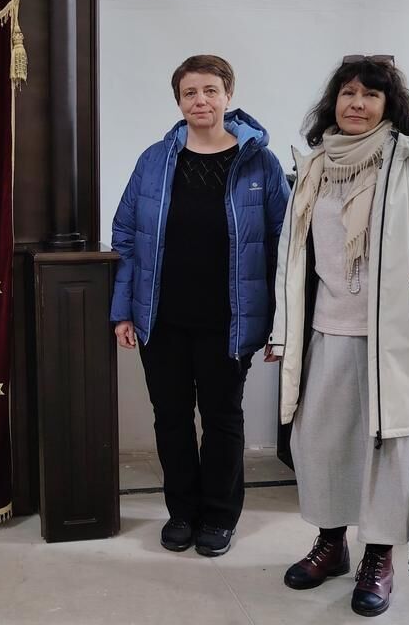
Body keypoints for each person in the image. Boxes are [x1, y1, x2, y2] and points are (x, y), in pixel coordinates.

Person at [264, 55, 409, 616]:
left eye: (370, 95)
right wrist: (283, 331)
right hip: (327, 331)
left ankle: (379, 556)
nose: (356, 104)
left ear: (389, 105)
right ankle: (331, 543)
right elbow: (295, 260)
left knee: (389, 449)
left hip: (401, 340)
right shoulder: (316, 164)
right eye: (348, 93)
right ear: (333, 102)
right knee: (322, 444)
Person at [110, 55, 289, 557]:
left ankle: (219, 515)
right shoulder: (154, 160)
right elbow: (126, 235)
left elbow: (286, 247)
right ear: (179, 101)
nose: (201, 101)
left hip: (229, 323)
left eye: (210, 90)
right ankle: (182, 512)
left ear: (228, 96)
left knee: (222, 419)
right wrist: (122, 310)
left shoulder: (260, 164)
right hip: (161, 319)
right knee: (170, 417)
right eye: (190, 92)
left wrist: (281, 323)